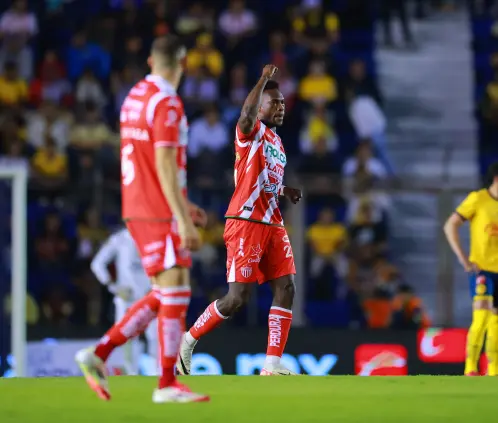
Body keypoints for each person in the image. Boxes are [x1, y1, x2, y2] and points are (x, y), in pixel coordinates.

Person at [74, 34, 210, 403]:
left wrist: (183, 203)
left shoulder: (134, 97)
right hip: (158, 210)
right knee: (178, 287)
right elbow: (165, 162)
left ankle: (99, 354)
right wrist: (181, 216)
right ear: (183, 64)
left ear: (151, 61)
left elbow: (145, 159)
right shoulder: (167, 103)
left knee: (163, 292)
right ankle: (166, 385)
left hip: (138, 205)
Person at [177, 65, 302, 376]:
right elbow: (245, 117)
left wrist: (284, 190)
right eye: (275, 102)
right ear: (260, 107)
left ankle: (272, 364)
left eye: (283, 102)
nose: (281, 106)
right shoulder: (250, 132)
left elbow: (264, 181)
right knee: (237, 298)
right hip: (245, 221)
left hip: (272, 222)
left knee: (286, 287)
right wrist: (261, 79)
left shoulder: (277, 142)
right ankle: (188, 341)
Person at [443, 162, 498, 377]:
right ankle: (471, 367)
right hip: (482, 270)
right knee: (482, 317)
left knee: (496, 323)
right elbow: (450, 225)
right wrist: (463, 259)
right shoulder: (478, 199)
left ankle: (493, 370)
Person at [90, 227, 156, 376]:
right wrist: (113, 287)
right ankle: (131, 374)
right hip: (127, 299)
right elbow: (97, 264)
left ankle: (158, 375)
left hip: (151, 296)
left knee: (155, 337)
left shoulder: (153, 235)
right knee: (128, 338)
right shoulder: (119, 239)